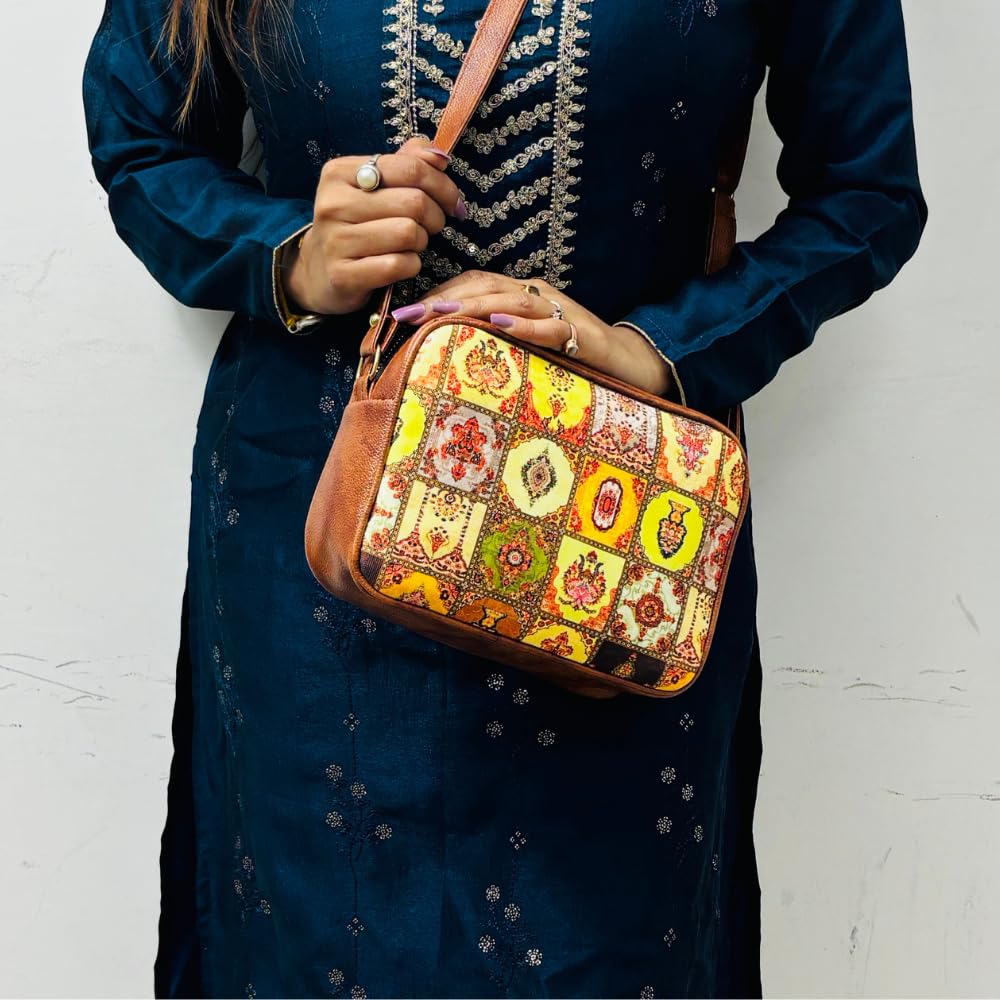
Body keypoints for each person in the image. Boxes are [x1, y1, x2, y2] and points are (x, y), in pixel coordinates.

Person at [82, 0, 926, 996]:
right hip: (316, 550)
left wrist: (656, 351)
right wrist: (293, 252)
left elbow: (865, 192)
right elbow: (141, 140)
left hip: (611, 551)